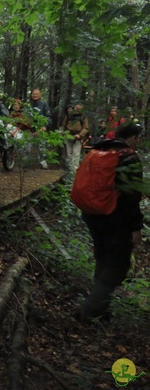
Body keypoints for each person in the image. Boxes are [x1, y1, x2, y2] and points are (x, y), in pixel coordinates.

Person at [80, 123, 144, 322]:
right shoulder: (128, 156)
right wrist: (135, 227)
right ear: (133, 137)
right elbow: (131, 195)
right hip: (113, 216)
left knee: (103, 257)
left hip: (91, 212)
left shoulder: (98, 148)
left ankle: (100, 308)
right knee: (118, 264)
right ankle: (90, 311)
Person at [60, 102, 89, 173]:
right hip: (68, 136)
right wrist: (62, 133)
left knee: (76, 155)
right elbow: (63, 125)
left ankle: (75, 172)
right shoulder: (68, 116)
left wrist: (80, 134)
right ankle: (69, 171)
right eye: (76, 108)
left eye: (79, 108)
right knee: (68, 154)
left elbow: (86, 128)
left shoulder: (83, 117)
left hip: (78, 138)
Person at [29, 88, 53, 168]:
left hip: (40, 129)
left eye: (36, 94)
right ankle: (26, 163)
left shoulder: (44, 105)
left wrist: (45, 126)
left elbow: (48, 117)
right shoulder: (28, 105)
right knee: (27, 147)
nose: (35, 95)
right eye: (33, 94)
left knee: (41, 148)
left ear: (40, 95)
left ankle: (44, 164)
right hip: (29, 129)